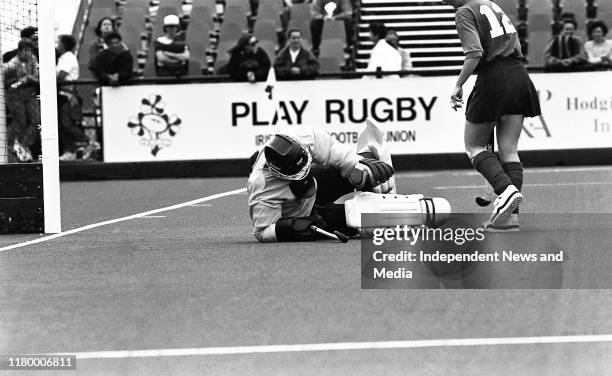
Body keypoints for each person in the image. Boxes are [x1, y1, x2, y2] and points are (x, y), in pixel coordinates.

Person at [442, 0, 541, 231]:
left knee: (474, 146)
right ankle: (510, 218)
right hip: (519, 74)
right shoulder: (490, 4)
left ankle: (506, 192)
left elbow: (474, 53)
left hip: (494, 78)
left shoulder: (464, 12)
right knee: (509, 150)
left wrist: (458, 85)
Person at [247, 124, 396, 242]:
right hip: (305, 216)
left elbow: (332, 150)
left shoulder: (303, 136)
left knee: (351, 169)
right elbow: (262, 232)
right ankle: (391, 215)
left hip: (315, 182)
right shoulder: (262, 185)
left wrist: (358, 163)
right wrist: (291, 228)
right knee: (357, 218)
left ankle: (369, 155)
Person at [56, 35, 95, 161]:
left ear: (64, 44)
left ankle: (89, 142)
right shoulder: (63, 57)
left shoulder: (68, 58)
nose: (57, 45)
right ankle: (70, 151)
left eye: (59, 42)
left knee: (67, 124)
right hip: (62, 94)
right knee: (63, 124)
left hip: (67, 94)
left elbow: (61, 76)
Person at [3, 40, 40, 162]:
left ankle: (23, 145)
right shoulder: (11, 65)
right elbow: (5, 81)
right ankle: (10, 147)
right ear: (20, 51)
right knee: (20, 122)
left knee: (37, 121)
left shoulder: (33, 59)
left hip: (30, 94)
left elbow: (38, 78)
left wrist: (29, 78)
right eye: (26, 51)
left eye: (30, 50)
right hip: (14, 96)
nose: (29, 53)